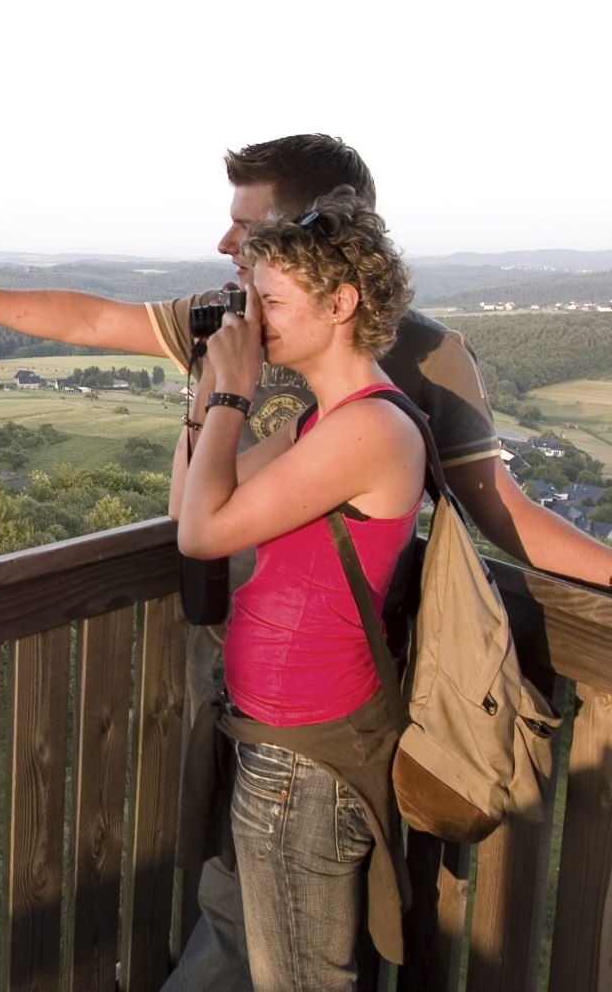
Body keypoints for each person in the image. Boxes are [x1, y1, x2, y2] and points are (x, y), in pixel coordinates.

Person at [0, 133, 612, 588]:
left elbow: (501, 511)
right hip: (221, 628)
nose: (224, 246)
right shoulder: (223, 316)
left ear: (312, 237)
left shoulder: (428, 354)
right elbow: (89, 317)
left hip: (329, 661)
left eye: (245, 228)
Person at [168, 189, 421, 987]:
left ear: (340, 303)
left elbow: (200, 535)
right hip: (277, 746)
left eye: (270, 301)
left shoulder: (368, 428)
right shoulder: (321, 423)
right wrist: (207, 391)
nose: (257, 320)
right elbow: (190, 505)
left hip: (305, 764)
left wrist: (236, 392)